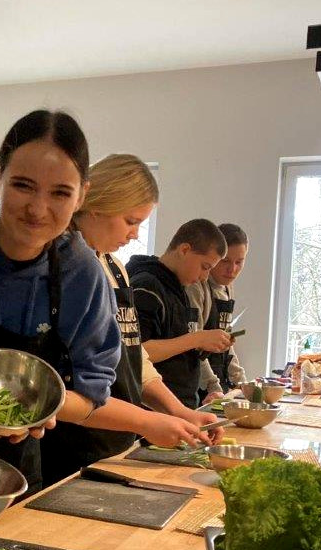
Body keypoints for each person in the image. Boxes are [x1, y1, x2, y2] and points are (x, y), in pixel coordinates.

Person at [0, 112, 210, 535]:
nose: (38, 209)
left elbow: (92, 396)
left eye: (60, 192)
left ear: (82, 196)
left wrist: (38, 407)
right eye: (22, 185)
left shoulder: (82, 273)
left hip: (15, 470)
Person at [40, 154, 223, 485]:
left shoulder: (114, 268)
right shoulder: (62, 267)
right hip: (70, 444)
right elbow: (66, 385)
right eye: (130, 221)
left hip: (116, 438)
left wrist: (179, 412)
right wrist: (146, 422)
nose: (136, 234)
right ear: (96, 205)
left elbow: (135, 357)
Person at [126, 219, 230, 408]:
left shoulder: (178, 286)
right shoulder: (146, 285)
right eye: (205, 267)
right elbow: (138, 351)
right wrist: (197, 339)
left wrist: (205, 344)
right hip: (154, 412)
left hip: (180, 407)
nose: (204, 277)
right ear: (184, 250)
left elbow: (177, 343)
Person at [188, 223, 249, 403]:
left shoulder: (227, 287)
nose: (232, 269)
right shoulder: (196, 288)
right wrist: (212, 387)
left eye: (239, 262)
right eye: (225, 261)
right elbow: (194, 344)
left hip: (219, 380)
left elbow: (226, 340)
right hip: (200, 385)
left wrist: (241, 381)